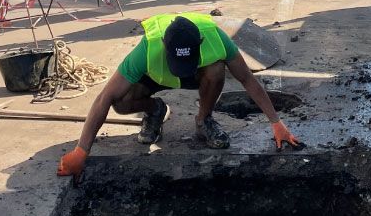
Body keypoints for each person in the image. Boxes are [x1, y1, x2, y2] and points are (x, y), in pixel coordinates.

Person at [57, 12, 301, 178]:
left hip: (198, 76)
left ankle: (203, 120)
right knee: (120, 101)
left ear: (201, 41)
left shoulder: (216, 39)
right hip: (156, 78)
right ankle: (155, 111)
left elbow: (247, 79)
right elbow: (104, 98)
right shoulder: (148, 49)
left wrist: (276, 122)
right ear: (164, 43)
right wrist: (81, 151)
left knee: (216, 69)